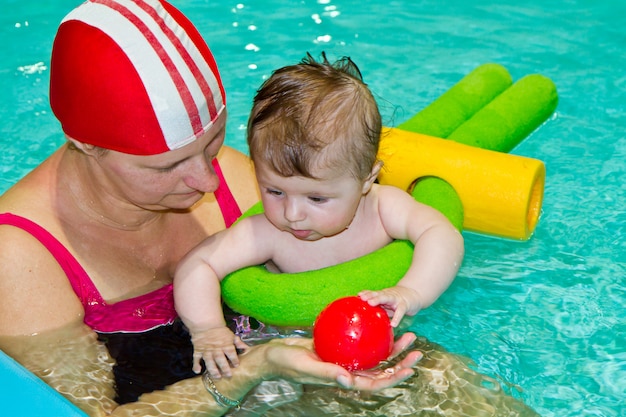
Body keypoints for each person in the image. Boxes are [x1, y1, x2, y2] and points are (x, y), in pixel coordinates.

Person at [0, 0, 423, 415]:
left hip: (277, 370)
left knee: (441, 380)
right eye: (167, 166)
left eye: (213, 143)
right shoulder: (20, 260)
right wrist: (253, 370)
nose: (208, 180)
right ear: (85, 144)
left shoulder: (243, 181)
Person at [174, 54, 465, 378]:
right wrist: (208, 329)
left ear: (367, 178)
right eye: (274, 191)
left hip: (384, 343)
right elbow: (197, 264)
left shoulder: (384, 208)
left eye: (316, 197)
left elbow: (442, 234)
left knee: (451, 378)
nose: (292, 214)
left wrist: (411, 292)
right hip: (294, 353)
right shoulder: (267, 233)